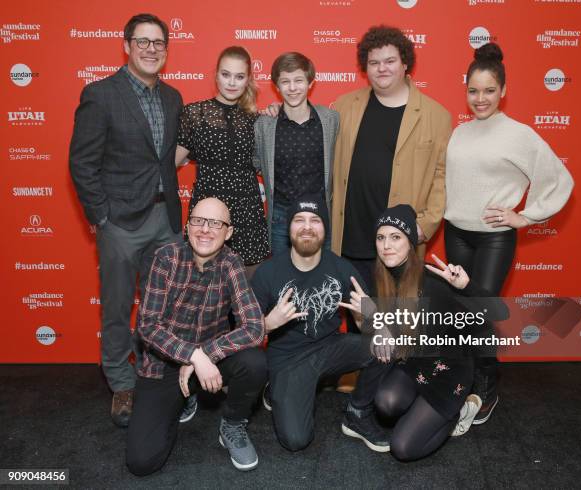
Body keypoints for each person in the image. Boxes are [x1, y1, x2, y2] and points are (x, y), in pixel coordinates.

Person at [444, 42, 574, 424]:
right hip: (456, 233)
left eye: (488, 90)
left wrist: (526, 216)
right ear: (464, 90)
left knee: (480, 307)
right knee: (461, 311)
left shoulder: (519, 134)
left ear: (503, 91)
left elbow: (559, 180)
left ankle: (486, 387)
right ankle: (462, 378)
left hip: (493, 237)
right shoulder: (459, 134)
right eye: (473, 90)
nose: (480, 98)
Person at [69, 13, 183, 428]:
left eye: (158, 43)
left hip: (165, 217)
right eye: (143, 41)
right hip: (120, 221)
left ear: (167, 50)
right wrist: (101, 216)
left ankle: (155, 373)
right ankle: (121, 382)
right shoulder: (101, 94)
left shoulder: (173, 97)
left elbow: (166, 160)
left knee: (164, 305)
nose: (151, 49)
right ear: (126, 45)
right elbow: (82, 163)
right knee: (118, 307)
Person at [345, 204, 507, 461]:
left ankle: (459, 411)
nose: (386, 244)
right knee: (387, 402)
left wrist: (466, 286)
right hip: (414, 363)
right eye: (381, 237)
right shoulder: (378, 279)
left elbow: (500, 313)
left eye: (396, 237)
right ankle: (422, 408)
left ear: (410, 242)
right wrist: (368, 320)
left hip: (449, 371)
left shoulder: (432, 281)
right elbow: (386, 339)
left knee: (402, 448)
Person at [126, 198, 267, 475]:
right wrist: (192, 354)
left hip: (210, 361)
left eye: (216, 223)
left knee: (255, 363)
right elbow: (148, 325)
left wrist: (205, 355)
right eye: (198, 221)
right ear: (187, 226)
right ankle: (185, 396)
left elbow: (254, 327)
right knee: (142, 462)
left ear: (228, 233)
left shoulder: (232, 263)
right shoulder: (166, 257)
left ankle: (232, 426)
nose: (205, 230)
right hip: (162, 365)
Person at [250, 195, 391, 452]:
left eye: (315, 220)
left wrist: (369, 314)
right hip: (288, 359)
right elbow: (242, 332)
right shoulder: (267, 273)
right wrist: (268, 324)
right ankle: (277, 388)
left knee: (387, 342)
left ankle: (358, 413)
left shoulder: (341, 267)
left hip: (330, 348)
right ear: (288, 228)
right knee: (296, 440)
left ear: (325, 229)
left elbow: (373, 323)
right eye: (299, 220)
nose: (307, 227)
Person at [331, 25, 451, 291]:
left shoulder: (436, 116)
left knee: (398, 327)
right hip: (351, 241)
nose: (381, 68)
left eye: (389, 61)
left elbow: (442, 178)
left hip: (399, 245)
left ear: (405, 63)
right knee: (357, 322)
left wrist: (425, 225)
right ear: (365, 67)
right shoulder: (343, 107)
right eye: (374, 62)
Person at [176, 46, 270, 275]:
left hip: (247, 216)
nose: (231, 82)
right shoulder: (194, 113)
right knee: (203, 296)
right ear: (216, 75)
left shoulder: (257, 120)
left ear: (248, 79)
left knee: (248, 295)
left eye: (239, 77)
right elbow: (169, 164)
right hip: (207, 217)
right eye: (226, 74)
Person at [253, 52, 339, 255]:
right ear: (276, 86)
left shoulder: (330, 119)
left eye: (299, 80)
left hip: (320, 214)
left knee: (322, 276)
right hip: (281, 216)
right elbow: (257, 163)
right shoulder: (264, 124)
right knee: (282, 278)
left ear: (310, 83)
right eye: (285, 81)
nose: (292, 88)